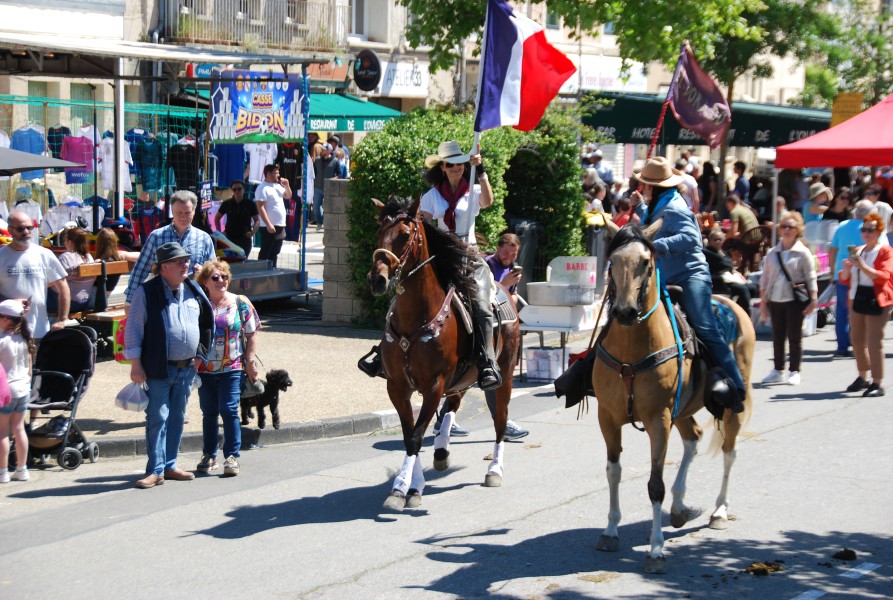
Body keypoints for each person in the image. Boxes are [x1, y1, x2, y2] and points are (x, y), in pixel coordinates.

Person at [634, 156, 746, 413]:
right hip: (665, 274)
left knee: (705, 328)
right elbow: (657, 226)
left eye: (645, 185)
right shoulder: (659, 204)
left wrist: (656, 246)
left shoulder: (675, 206)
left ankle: (736, 387)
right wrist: (641, 210)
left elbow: (691, 238)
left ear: (653, 186)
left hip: (689, 275)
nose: (643, 188)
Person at [124, 242, 213, 489]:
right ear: (164, 267)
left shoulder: (194, 289)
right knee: (157, 417)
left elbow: (206, 323)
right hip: (158, 367)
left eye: (186, 260)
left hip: (186, 368)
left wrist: (200, 355)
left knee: (177, 416)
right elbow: (133, 329)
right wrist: (136, 364)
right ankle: (155, 469)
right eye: (179, 262)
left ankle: (170, 465)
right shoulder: (147, 292)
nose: (185, 265)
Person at [419, 140, 501, 390]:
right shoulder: (432, 196)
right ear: (442, 167)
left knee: (481, 305)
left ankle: (487, 360)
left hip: (470, 256)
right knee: (411, 292)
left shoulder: (473, 189)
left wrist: (483, 170)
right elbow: (423, 221)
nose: (457, 167)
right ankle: (385, 352)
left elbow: (488, 202)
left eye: (461, 163)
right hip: (444, 257)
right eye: (451, 164)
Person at [194, 260, 261, 477]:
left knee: (229, 409)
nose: (221, 281)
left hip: (232, 367)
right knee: (209, 412)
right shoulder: (198, 303)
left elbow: (252, 333)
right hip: (204, 368)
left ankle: (232, 456)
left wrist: (249, 362)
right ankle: (209, 454)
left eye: (224, 276)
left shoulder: (240, 302)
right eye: (215, 277)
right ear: (205, 281)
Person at [124, 191, 215, 304]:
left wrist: (203, 273)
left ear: (194, 211)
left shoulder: (204, 239)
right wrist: (130, 300)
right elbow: (140, 270)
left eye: (187, 212)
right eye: (179, 212)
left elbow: (213, 272)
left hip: (194, 300)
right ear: (172, 211)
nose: (183, 217)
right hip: (162, 300)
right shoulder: (156, 237)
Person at [759, 212, 818, 386]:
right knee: (777, 336)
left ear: (798, 230)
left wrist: (814, 299)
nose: (786, 230)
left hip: (794, 300)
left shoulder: (803, 252)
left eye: (790, 227)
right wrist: (763, 302)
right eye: (784, 227)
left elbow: (810, 276)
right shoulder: (773, 252)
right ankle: (777, 370)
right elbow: (765, 278)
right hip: (775, 298)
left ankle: (794, 370)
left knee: (794, 336)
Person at [839, 213, 893, 397]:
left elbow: (884, 276)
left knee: (873, 341)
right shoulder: (859, 250)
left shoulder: (885, 250)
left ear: (879, 231)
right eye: (864, 229)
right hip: (857, 297)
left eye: (871, 230)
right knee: (857, 339)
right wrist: (846, 270)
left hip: (877, 299)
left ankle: (878, 382)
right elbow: (845, 279)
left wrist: (861, 266)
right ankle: (863, 376)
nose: (867, 233)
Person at [483, 232, 528, 440]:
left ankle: (445, 420)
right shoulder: (487, 265)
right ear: (498, 248)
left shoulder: (512, 268)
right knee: (491, 375)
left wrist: (512, 292)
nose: (509, 257)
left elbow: (513, 297)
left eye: (513, 253)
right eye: (506, 252)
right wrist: (506, 284)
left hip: (503, 328)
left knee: (490, 376)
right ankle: (502, 423)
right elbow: (486, 296)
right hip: (486, 327)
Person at [0, 211, 70, 340]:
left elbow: (63, 286)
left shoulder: (44, 254)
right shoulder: (2, 256)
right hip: (6, 332)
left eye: (30, 227)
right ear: (10, 230)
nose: (26, 232)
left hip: (39, 329)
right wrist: (9, 303)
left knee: (36, 360)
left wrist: (62, 319)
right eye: (20, 229)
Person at [828, 200, 877, 357]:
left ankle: (842, 346)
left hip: (842, 273)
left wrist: (831, 271)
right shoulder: (872, 230)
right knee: (860, 312)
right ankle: (858, 344)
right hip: (863, 277)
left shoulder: (842, 226)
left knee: (841, 312)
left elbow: (832, 250)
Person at [0, 300, 32, 483]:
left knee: (2, 432)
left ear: (5, 319)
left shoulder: (2, 340)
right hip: (23, 388)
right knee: (19, 429)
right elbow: (29, 367)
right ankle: (22, 468)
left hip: (6, 390)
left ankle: (3, 472)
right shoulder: (25, 338)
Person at [703, 230, 755, 315]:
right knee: (743, 289)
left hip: (730, 277)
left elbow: (730, 265)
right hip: (719, 279)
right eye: (715, 239)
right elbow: (725, 264)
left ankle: (739, 309)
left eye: (720, 239)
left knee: (753, 287)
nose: (718, 241)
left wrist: (737, 274)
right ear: (710, 240)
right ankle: (746, 313)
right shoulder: (707, 252)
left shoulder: (722, 252)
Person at [254, 164, 291, 267]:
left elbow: (288, 196)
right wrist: (268, 224)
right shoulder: (262, 188)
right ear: (268, 174)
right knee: (265, 252)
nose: (278, 175)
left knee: (275, 252)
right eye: (276, 173)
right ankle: (261, 273)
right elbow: (261, 208)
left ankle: (272, 272)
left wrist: (287, 186)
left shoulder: (278, 186)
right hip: (268, 227)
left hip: (280, 225)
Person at [53, 227, 96, 314]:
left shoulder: (65, 257)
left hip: (71, 302)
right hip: (86, 301)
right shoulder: (89, 257)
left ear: (69, 242)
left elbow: (56, 280)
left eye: (65, 240)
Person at [215, 180, 259, 257]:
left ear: (244, 190)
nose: (237, 191)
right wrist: (220, 233)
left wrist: (252, 232)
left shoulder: (250, 204)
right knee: (229, 262)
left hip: (244, 238)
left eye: (239, 189)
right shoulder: (227, 203)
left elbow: (257, 221)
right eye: (234, 189)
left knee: (243, 262)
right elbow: (217, 218)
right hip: (229, 238)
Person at [312, 143, 341, 230]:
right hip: (317, 186)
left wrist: (333, 179)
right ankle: (320, 221)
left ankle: (326, 223)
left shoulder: (335, 161)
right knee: (316, 207)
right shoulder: (317, 160)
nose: (322, 151)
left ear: (329, 151)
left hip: (329, 187)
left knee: (328, 206)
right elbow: (313, 172)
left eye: (324, 149)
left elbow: (340, 174)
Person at [94, 227, 128, 293]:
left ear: (98, 243)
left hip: (99, 298)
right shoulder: (118, 260)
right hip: (113, 295)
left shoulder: (98, 263)